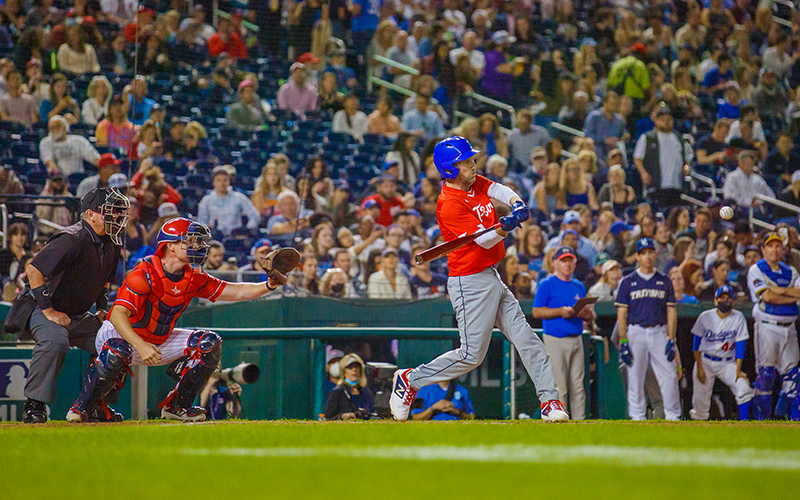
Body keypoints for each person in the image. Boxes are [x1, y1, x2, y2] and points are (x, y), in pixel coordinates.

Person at [389, 136, 568, 422]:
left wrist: (517, 204)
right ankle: (410, 379)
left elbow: (498, 189)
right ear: (450, 168)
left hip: (490, 275)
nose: (473, 164)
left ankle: (550, 402)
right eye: (466, 161)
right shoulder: (449, 203)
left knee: (528, 339)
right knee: (471, 355)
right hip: (468, 281)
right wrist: (504, 227)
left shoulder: (473, 182)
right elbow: (483, 241)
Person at [67, 218, 293, 423]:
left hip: (156, 339)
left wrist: (268, 285)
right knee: (117, 350)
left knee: (209, 343)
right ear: (170, 245)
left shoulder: (194, 277)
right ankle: (82, 407)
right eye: (190, 242)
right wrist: (140, 344)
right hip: (120, 334)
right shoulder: (144, 273)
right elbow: (117, 315)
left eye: (198, 242)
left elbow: (236, 292)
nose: (198, 247)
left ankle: (177, 406)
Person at [17, 188, 130, 424]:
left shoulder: (111, 242)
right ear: (91, 214)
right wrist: (49, 310)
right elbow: (33, 270)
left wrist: (101, 308)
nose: (118, 217)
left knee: (117, 343)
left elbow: (104, 283)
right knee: (56, 341)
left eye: (120, 212)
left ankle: (95, 404)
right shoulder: (72, 237)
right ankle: (34, 404)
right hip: (41, 307)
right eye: (111, 212)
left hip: (78, 315)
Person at [615, 237, 681, 421]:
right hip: (636, 331)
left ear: (655, 253)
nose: (647, 257)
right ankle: (637, 416)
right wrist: (624, 341)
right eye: (643, 253)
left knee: (669, 373)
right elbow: (622, 314)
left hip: (659, 331)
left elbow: (671, 310)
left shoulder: (664, 280)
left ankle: (673, 415)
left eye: (650, 252)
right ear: (637, 256)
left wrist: (671, 338)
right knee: (635, 376)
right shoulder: (628, 282)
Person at [533, 246, 595, 420]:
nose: (567, 264)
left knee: (578, 385)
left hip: (576, 336)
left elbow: (589, 315)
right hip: (555, 337)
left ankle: (579, 420)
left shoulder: (578, 286)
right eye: (563, 260)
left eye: (570, 260)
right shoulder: (547, 284)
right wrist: (560, 311)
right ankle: (559, 418)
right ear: (555, 263)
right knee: (560, 385)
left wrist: (585, 313)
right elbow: (537, 311)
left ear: (575, 263)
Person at [747, 232, 800, 421]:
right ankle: (762, 423)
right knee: (766, 375)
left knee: (794, 377)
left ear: (783, 249)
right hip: (767, 326)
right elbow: (767, 297)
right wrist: (791, 296)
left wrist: (780, 290)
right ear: (763, 249)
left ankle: (795, 424)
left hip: (790, 327)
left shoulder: (791, 271)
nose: (774, 250)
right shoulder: (756, 269)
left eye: (778, 246)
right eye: (770, 246)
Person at [689, 285, 754, 421]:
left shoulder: (738, 317)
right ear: (715, 300)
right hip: (705, 361)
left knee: (743, 388)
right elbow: (696, 346)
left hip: (726, 363)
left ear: (734, 302)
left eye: (728, 298)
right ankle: (699, 433)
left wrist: (738, 370)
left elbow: (740, 345)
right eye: (722, 298)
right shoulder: (705, 316)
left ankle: (745, 425)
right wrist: (700, 367)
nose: (725, 300)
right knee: (700, 405)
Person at [633, 103, 693, 207]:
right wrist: (643, 173)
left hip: (676, 183)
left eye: (668, 119)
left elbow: (687, 156)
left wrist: (686, 167)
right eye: (662, 119)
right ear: (656, 120)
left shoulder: (680, 138)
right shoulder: (648, 138)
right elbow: (638, 157)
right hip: (656, 183)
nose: (666, 122)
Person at [197, 166, 261, 237]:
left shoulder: (239, 197)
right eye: (219, 180)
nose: (222, 183)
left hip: (235, 237)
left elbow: (255, 216)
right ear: (213, 182)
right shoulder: (207, 200)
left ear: (229, 181)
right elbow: (201, 222)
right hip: (214, 236)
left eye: (225, 180)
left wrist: (246, 232)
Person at [324, 353, 375, 420]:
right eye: (350, 367)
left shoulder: (365, 391)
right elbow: (328, 418)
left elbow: (373, 410)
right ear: (343, 371)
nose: (354, 370)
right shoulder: (337, 392)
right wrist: (342, 416)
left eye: (356, 366)